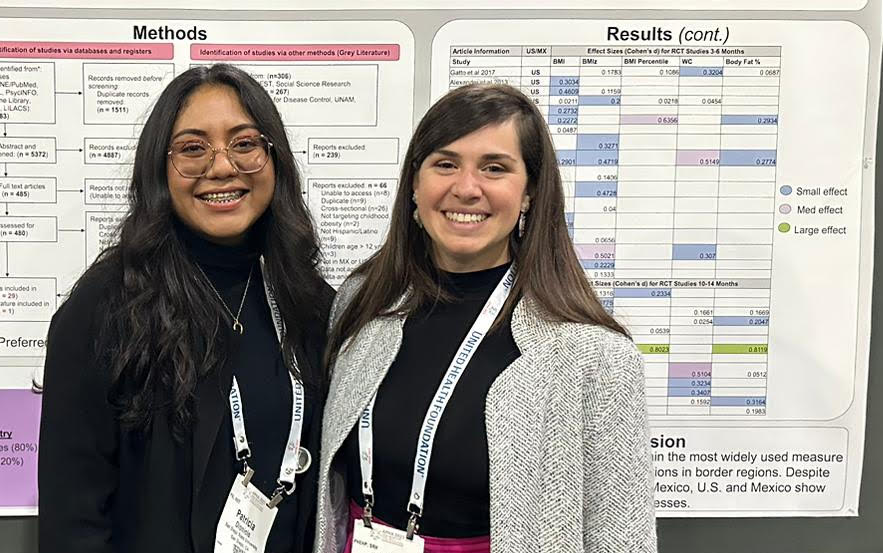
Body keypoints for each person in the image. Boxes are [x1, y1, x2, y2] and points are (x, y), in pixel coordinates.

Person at [314, 84, 656, 553]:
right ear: (415, 183)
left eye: (494, 168)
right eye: (446, 163)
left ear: (530, 191)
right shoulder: (362, 305)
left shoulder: (593, 356)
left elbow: (622, 537)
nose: (466, 188)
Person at [38, 64, 334, 553]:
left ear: (273, 159)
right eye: (193, 148)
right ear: (159, 169)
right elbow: (74, 519)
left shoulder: (308, 302)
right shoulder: (106, 307)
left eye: (244, 144)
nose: (222, 167)